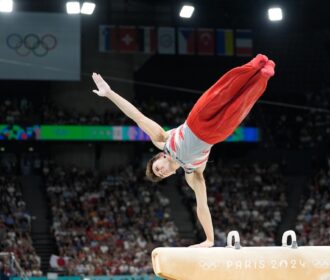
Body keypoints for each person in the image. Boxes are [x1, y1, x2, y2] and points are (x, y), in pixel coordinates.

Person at [91, 54, 275, 247]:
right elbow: (202, 206)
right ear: (169, 175)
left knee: (223, 91)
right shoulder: (192, 172)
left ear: (160, 156)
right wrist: (210, 239)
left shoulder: (163, 141)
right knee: (242, 104)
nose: (160, 171)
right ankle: (263, 75)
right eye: (160, 175)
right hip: (216, 134)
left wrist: (110, 93)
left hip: (196, 120)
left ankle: (255, 65)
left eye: (157, 168)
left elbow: (137, 116)